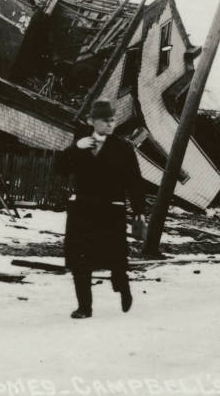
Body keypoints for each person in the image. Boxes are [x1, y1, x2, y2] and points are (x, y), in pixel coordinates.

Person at [55, 100, 146, 319]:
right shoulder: (80, 145)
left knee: (115, 258)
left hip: (110, 210)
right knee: (79, 260)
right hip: (83, 210)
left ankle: (123, 288)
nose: (110, 124)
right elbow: (60, 169)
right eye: (105, 121)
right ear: (91, 121)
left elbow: (134, 181)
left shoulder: (123, 148)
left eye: (112, 120)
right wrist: (74, 149)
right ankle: (84, 307)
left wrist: (139, 210)